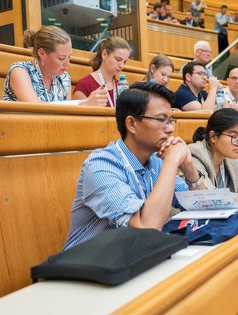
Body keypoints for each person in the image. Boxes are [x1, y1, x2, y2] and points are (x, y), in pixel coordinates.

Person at [64, 82, 205, 249]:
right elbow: (147, 227)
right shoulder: (101, 165)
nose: (170, 130)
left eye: (171, 121)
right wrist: (172, 161)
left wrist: (189, 168)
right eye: (161, 120)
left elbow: (202, 206)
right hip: (85, 269)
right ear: (131, 124)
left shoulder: (156, 162)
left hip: (134, 259)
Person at [3, 26, 72, 102]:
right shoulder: (20, 71)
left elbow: (67, 112)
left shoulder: (64, 77)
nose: (68, 64)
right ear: (42, 53)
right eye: (61, 58)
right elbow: (35, 110)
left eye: (69, 57)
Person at [73, 36, 130, 107]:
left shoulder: (121, 86)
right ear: (104, 54)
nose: (122, 66)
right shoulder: (84, 85)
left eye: (124, 62)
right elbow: (77, 116)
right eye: (118, 59)